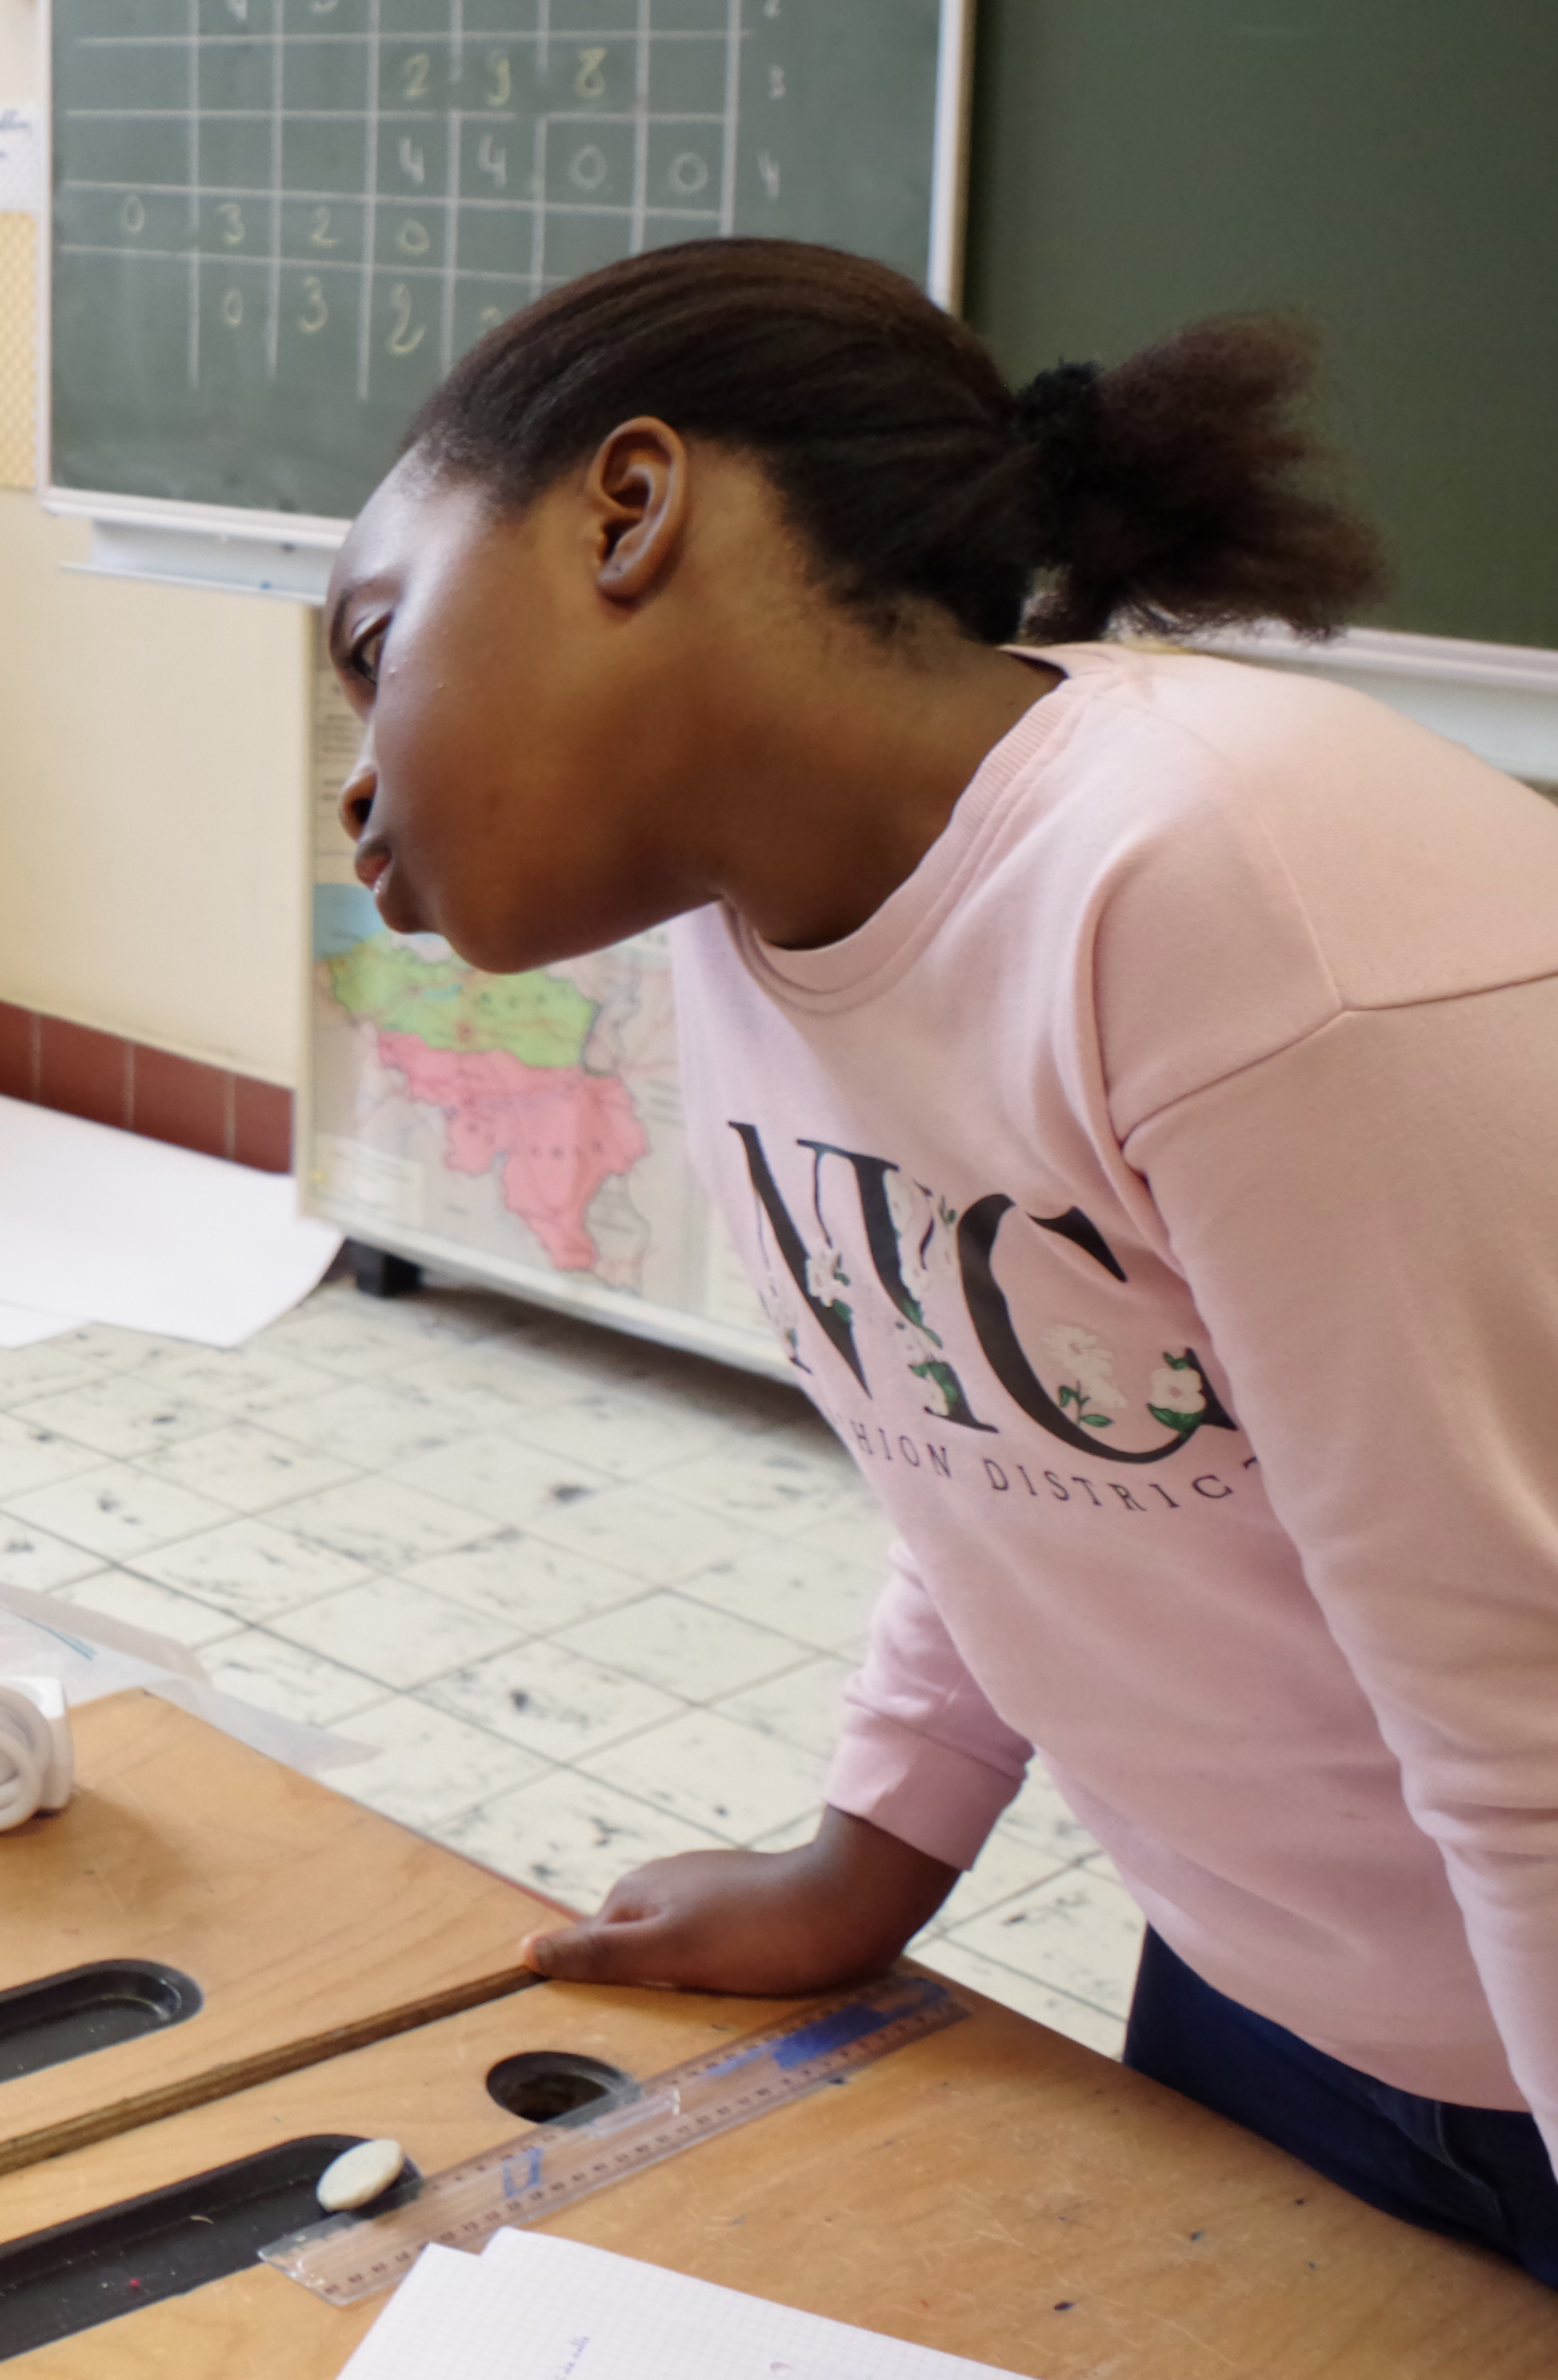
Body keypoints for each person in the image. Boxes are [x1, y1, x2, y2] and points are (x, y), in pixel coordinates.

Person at [320, 235, 1558, 2281]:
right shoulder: (753, 932)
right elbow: (1013, 1425)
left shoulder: (1210, 897)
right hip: (1283, 1993)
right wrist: (865, 1861)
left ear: (629, 507)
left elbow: (1529, 1719)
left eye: (376, 645)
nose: (361, 783)